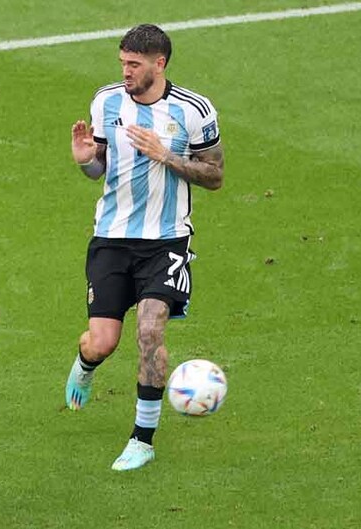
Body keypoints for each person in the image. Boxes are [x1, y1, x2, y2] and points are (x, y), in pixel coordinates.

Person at [65, 24, 225, 471]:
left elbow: (215, 175)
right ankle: (85, 363)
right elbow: (99, 170)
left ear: (160, 64)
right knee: (102, 341)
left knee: (151, 330)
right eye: (123, 63)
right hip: (112, 239)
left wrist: (167, 156)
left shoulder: (194, 110)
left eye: (134, 65)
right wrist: (86, 162)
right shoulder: (106, 101)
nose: (126, 72)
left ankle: (142, 438)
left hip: (167, 240)